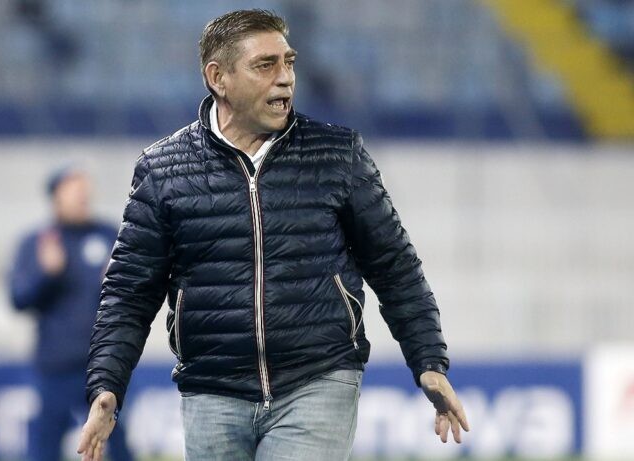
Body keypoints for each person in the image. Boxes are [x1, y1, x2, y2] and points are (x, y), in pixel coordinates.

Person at [79, 9, 469, 461]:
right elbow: (129, 292)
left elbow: (395, 266)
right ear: (218, 78)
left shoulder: (337, 155)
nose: (285, 78)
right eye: (265, 65)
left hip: (318, 378)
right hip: (212, 388)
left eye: (289, 62)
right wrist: (106, 386)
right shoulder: (163, 170)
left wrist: (429, 360)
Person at [9, 165, 133, 461]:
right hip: (56, 365)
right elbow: (18, 299)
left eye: (85, 189)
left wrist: (119, 281)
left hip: (105, 365)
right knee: (45, 445)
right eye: (74, 189)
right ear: (56, 197)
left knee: (117, 442)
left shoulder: (109, 236)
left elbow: (136, 294)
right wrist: (47, 274)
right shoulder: (37, 242)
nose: (82, 195)